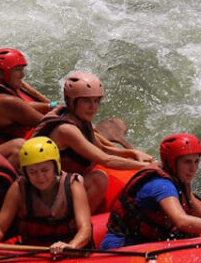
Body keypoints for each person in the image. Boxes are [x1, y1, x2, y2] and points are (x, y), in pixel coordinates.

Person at [100, 133, 201, 250]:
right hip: (122, 247)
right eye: (187, 162)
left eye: (196, 161)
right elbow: (182, 221)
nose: (193, 168)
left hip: (148, 242)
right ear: (172, 162)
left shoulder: (179, 179)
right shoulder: (161, 185)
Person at [31, 71, 154, 213]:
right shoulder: (66, 130)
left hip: (58, 185)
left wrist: (132, 152)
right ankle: (76, 225)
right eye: (86, 101)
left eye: (96, 101)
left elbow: (102, 148)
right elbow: (105, 159)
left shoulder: (81, 121)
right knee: (99, 179)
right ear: (71, 101)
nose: (93, 107)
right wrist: (146, 167)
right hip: (43, 191)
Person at [0, 137, 92, 257]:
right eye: (33, 172)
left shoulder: (73, 186)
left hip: (68, 255)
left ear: (56, 167)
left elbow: (85, 229)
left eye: (45, 170)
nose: (40, 177)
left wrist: (71, 246)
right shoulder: (18, 189)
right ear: (25, 172)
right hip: (34, 256)